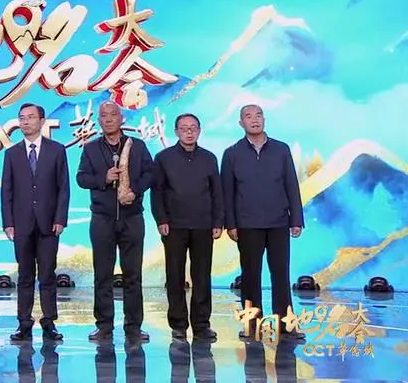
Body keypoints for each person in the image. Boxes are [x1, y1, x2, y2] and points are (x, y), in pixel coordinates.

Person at [220, 104, 305, 341]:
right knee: (250, 276)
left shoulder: (281, 149)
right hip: (247, 224)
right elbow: (227, 192)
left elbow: (291, 185)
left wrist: (296, 219)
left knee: (281, 274)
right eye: (248, 116)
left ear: (264, 120)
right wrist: (230, 224)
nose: (254, 120)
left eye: (258, 115)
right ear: (241, 123)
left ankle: (287, 325)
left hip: (279, 222)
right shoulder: (232, 153)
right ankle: (251, 324)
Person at [76, 101, 154, 343]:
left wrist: (134, 190)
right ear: (99, 121)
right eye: (104, 116)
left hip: (132, 218)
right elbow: (81, 178)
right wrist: (104, 178)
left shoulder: (137, 146)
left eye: (113, 114)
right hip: (102, 220)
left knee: (133, 275)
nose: (108, 119)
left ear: (121, 118)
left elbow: (150, 173)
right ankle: (104, 326)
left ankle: (133, 327)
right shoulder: (91, 148)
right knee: (102, 275)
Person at [151, 113, 223, 342]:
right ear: (176, 132)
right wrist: (161, 220)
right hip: (174, 226)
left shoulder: (209, 158)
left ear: (199, 131)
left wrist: (218, 222)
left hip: (203, 225)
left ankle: (202, 325)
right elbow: (157, 192)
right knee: (175, 276)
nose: (189, 132)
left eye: (193, 128)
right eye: (184, 128)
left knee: (202, 276)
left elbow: (217, 193)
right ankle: (178, 325)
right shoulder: (163, 158)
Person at [1, 103, 69, 342]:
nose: (25, 122)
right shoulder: (12, 154)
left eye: (30, 117)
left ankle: (49, 321)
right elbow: (7, 190)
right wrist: (8, 222)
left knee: (48, 274)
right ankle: (24, 322)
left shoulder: (57, 150)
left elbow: (63, 188)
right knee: (25, 275)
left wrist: (60, 218)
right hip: (21, 224)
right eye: (22, 118)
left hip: (49, 223)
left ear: (42, 121)